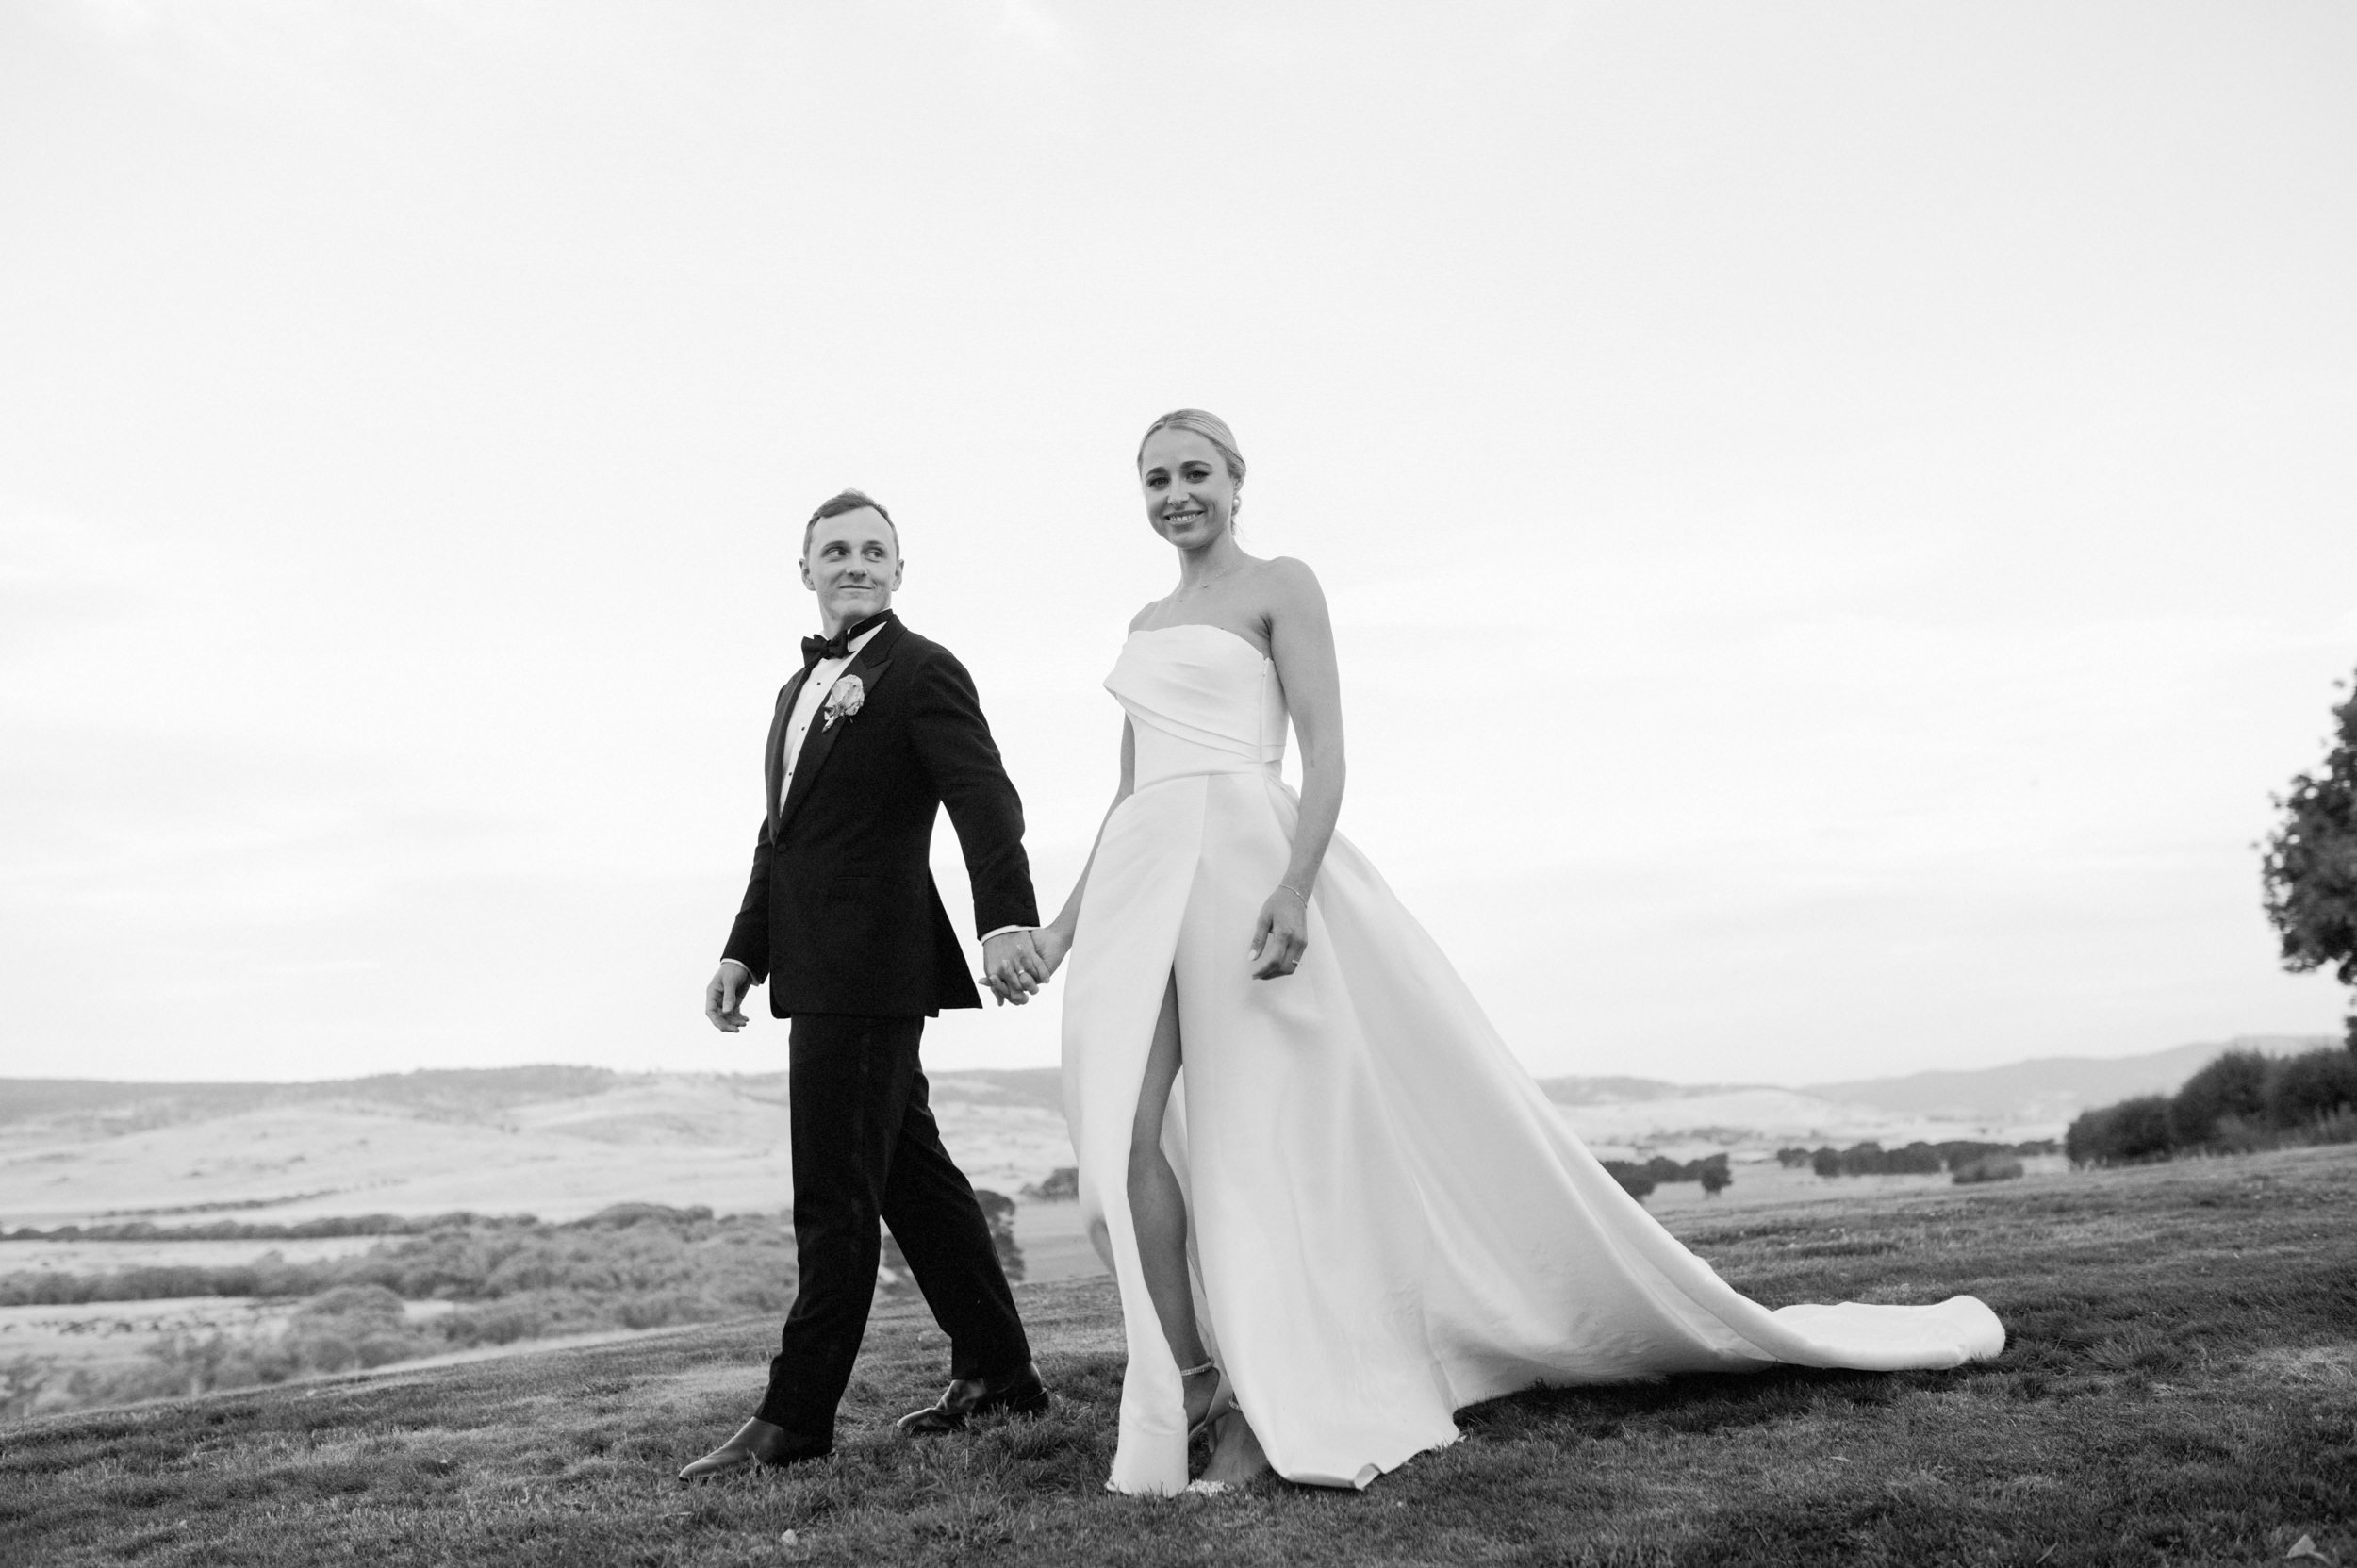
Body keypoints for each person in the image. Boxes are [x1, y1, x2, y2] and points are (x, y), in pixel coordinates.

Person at [1030, 411, 2005, 1496]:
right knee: (1122, 1147)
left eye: (1195, 472)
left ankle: (1262, 1413)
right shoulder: (1146, 618)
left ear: (1236, 479)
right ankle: (1194, 1378)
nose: (1177, 494)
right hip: (1139, 884)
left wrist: (1295, 887)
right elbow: (1126, 796)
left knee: (1249, 1149)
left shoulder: (1281, 584)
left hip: (1246, 869)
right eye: (1156, 478)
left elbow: (1329, 749)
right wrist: (1061, 929)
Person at [680, 489, 1057, 1481]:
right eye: (835, 550)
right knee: (909, 1180)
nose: (855, 562)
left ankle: (796, 1417)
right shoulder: (789, 694)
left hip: (873, 962)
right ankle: (1001, 1375)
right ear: (804, 570)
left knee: (833, 1197)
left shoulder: (921, 670)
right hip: (813, 963)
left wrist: (1005, 918)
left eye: (874, 550)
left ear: (899, 570)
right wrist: (742, 951)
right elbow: (782, 839)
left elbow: (984, 797)